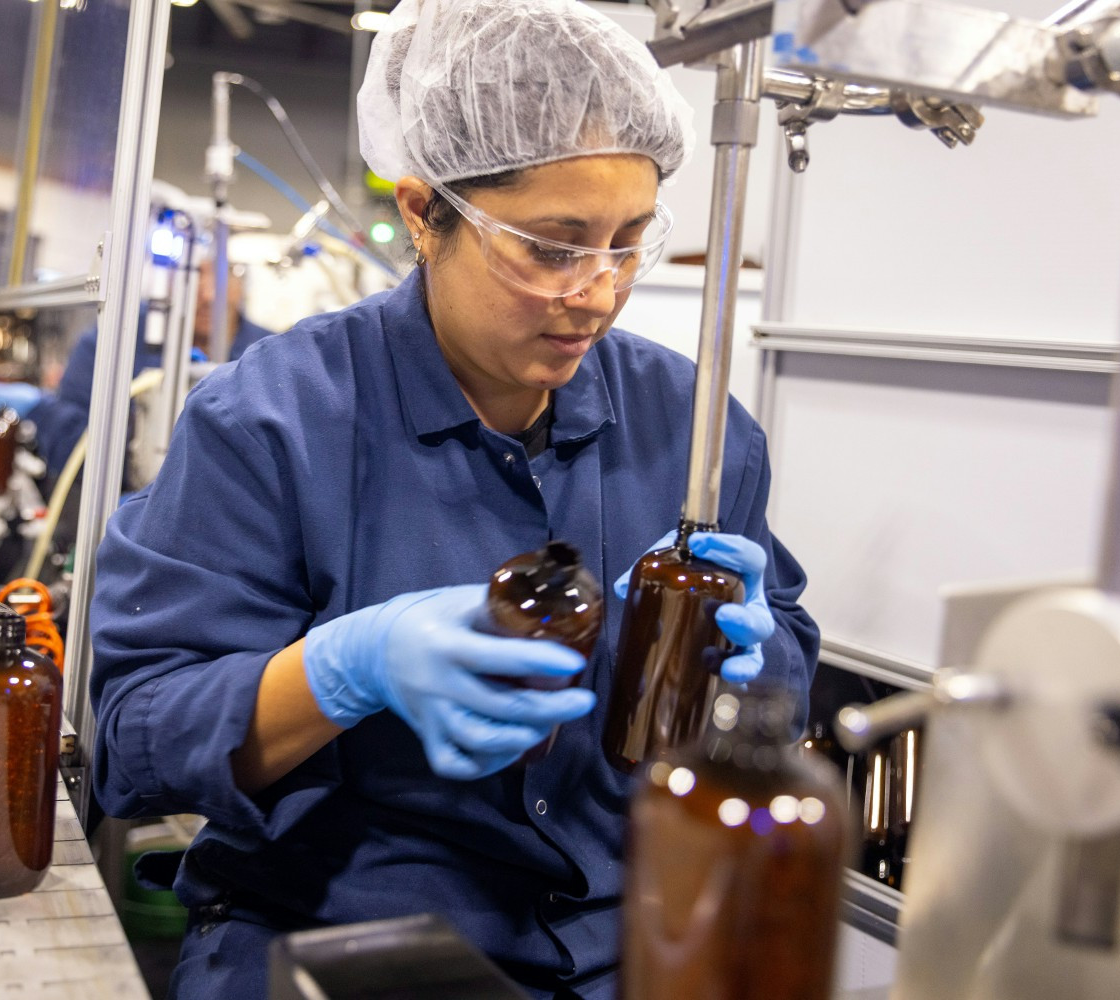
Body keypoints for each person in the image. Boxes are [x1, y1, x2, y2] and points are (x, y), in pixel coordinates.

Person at [89, 2, 820, 996]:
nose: (598, 292)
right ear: (424, 213)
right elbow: (135, 737)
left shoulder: (693, 428)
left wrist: (760, 651)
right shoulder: (274, 421)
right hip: (337, 933)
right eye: (553, 248)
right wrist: (344, 670)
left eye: (628, 242)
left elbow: (785, 641)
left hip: (627, 939)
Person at [0, 262, 272, 480]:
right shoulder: (116, 336)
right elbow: (72, 449)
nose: (209, 293)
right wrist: (43, 411)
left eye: (226, 271)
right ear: (167, 279)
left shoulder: (267, 357)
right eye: (196, 272)